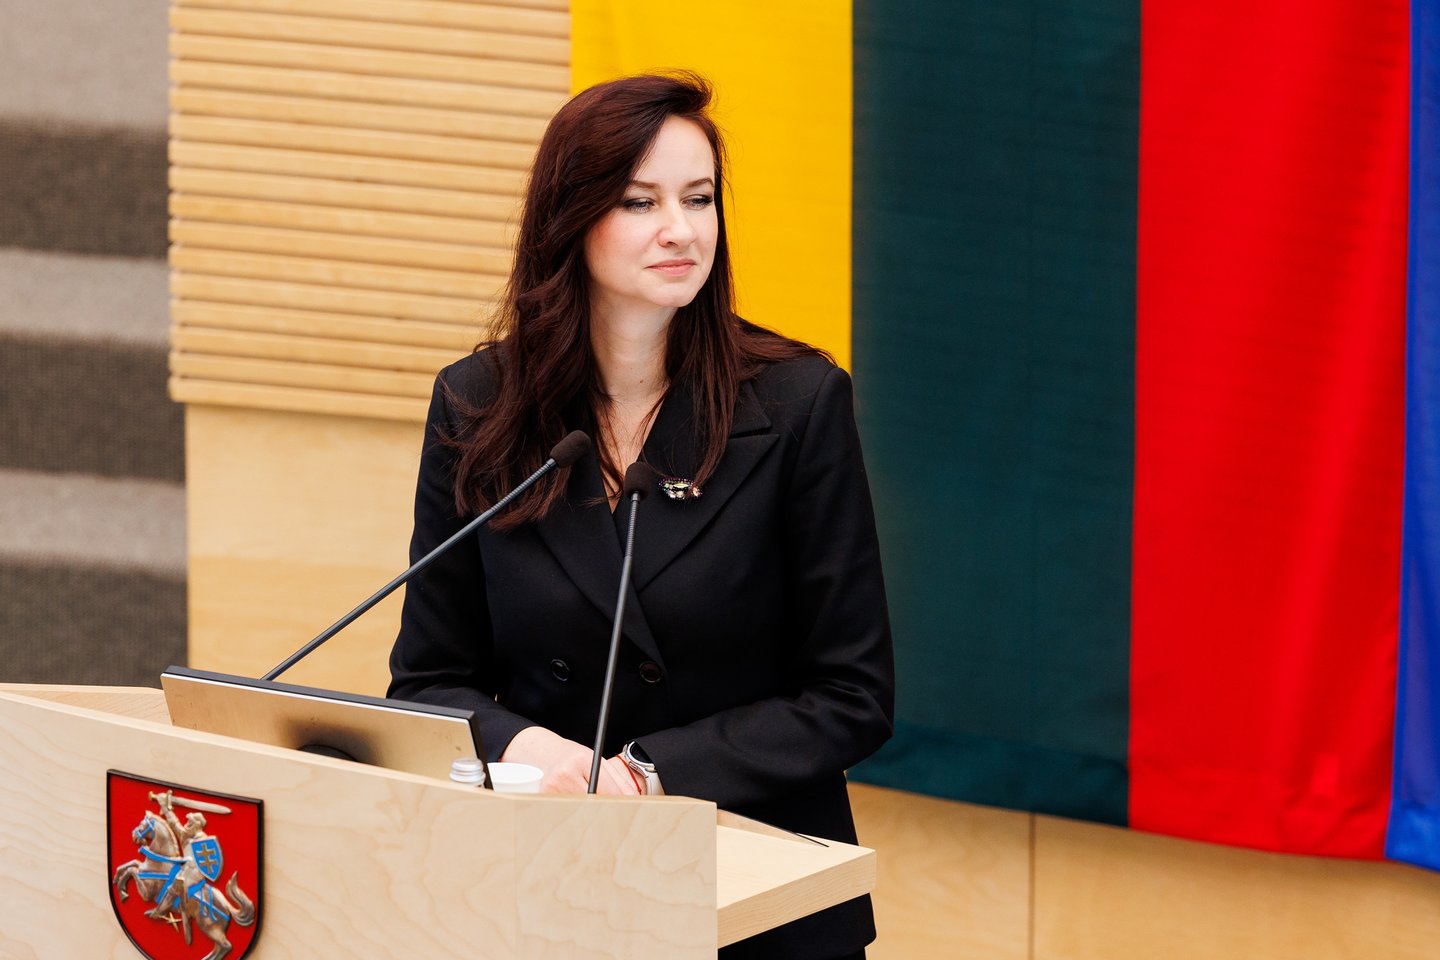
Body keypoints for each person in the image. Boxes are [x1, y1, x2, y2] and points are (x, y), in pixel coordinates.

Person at [388, 73, 894, 960]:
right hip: (548, 885)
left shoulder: (799, 403)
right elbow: (428, 684)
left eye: (698, 199)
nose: (681, 230)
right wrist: (537, 752)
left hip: (752, 889)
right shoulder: (478, 404)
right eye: (640, 201)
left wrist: (646, 774)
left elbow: (852, 697)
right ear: (570, 219)